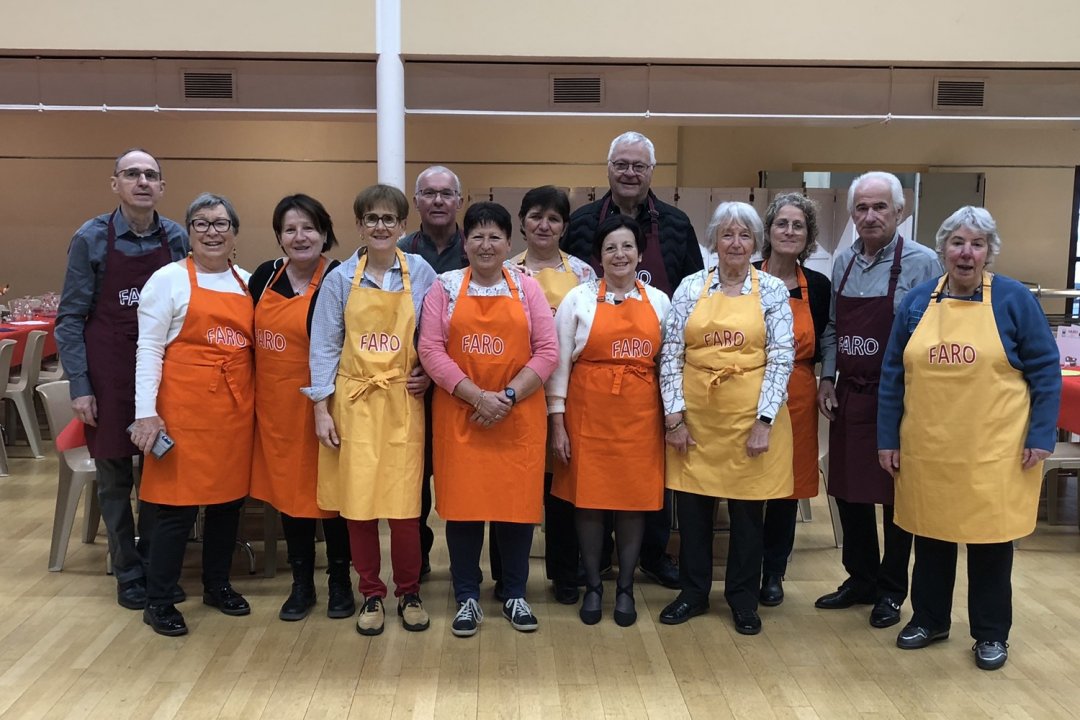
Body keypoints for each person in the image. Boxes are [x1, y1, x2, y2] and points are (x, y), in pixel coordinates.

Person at [877, 206, 1060, 671]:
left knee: (990, 542)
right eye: (957, 243)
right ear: (943, 249)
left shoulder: (1014, 300)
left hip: (994, 450)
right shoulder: (917, 302)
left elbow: (1045, 370)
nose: (966, 253)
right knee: (931, 536)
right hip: (928, 448)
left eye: (977, 244)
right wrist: (887, 438)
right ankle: (930, 619)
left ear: (989, 252)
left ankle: (991, 633)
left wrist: (1042, 434)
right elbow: (893, 374)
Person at [563, 130, 703, 589]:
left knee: (648, 477)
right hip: (593, 380)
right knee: (592, 481)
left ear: (651, 172)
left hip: (653, 369)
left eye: (638, 165)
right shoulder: (583, 221)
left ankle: (654, 555)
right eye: (621, 164)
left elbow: (693, 291)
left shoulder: (677, 223)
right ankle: (595, 561)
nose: (629, 172)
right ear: (608, 169)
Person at [54, 149, 188, 611]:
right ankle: (127, 572)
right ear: (115, 184)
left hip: (163, 371)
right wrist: (80, 386)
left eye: (151, 175)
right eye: (132, 174)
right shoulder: (90, 238)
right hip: (108, 371)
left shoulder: (177, 237)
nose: (142, 181)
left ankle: (156, 567)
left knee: (160, 472)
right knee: (114, 477)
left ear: (162, 187)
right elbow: (70, 317)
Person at [418, 201, 558, 637]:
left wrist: (508, 397)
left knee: (516, 507)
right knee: (463, 508)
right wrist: (478, 397)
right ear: (465, 243)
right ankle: (466, 596)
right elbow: (430, 350)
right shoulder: (444, 288)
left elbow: (548, 351)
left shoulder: (527, 288)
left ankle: (514, 592)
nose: (485, 244)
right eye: (477, 236)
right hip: (461, 414)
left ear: (508, 243)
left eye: (494, 236)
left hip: (518, 416)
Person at [659, 201, 794, 635]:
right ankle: (693, 592)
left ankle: (743, 598)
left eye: (744, 235)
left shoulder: (771, 290)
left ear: (756, 243)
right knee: (693, 513)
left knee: (748, 517)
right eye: (727, 234)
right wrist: (674, 419)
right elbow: (671, 355)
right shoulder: (690, 286)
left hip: (751, 420)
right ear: (713, 241)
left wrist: (764, 421)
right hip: (696, 421)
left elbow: (781, 357)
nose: (735, 243)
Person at [815, 172, 942, 629]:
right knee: (849, 492)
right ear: (852, 214)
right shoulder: (844, 261)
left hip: (897, 399)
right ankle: (861, 578)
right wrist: (827, 377)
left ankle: (891, 590)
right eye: (862, 208)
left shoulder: (924, 263)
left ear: (899, 211)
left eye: (880, 207)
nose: (870, 216)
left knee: (894, 498)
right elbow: (833, 327)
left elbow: (936, 329)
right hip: (850, 393)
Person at [309, 184, 437, 636]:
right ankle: (371, 593)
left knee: (405, 509)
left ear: (403, 225)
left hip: (403, 401)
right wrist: (321, 408)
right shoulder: (341, 279)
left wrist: (428, 372)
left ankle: (409, 592)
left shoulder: (421, 273)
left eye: (389, 219)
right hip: (354, 402)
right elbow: (324, 346)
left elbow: (435, 333)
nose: (380, 226)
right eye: (371, 219)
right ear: (359, 226)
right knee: (359, 507)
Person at [131, 193, 254, 637]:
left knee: (227, 504)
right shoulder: (167, 280)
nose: (211, 232)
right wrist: (146, 414)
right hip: (181, 413)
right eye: (201, 223)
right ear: (188, 232)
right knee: (174, 510)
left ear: (234, 233)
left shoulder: (248, 282)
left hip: (234, 413)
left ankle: (217, 585)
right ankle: (159, 600)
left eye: (221, 224)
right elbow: (148, 349)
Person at [548, 215, 670, 626]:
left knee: (634, 503)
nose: (620, 255)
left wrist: (673, 418)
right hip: (587, 415)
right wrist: (557, 422)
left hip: (641, 418)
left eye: (627, 246)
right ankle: (593, 587)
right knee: (589, 502)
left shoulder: (660, 302)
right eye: (610, 248)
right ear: (599, 257)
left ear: (640, 254)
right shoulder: (578, 299)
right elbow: (558, 366)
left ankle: (626, 588)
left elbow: (669, 364)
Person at [249, 194, 354, 622]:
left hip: (328, 408)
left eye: (309, 227)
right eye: (290, 229)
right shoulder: (263, 277)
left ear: (325, 233)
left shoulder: (341, 278)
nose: (300, 236)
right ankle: (301, 583)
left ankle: (341, 581)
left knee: (332, 498)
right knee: (289, 498)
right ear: (279, 237)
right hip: (276, 412)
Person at [493, 185, 596, 606]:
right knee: (510, 487)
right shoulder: (503, 270)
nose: (544, 225)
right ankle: (504, 576)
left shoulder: (584, 274)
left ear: (565, 227)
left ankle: (565, 573)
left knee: (560, 488)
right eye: (536, 216)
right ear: (521, 222)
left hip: (566, 394)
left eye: (554, 218)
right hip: (515, 391)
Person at [753, 194, 831, 606]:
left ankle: (773, 571)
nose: (789, 231)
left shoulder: (817, 286)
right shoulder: (746, 277)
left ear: (808, 235)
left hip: (797, 390)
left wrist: (828, 378)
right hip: (748, 387)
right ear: (768, 231)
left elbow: (828, 339)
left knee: (787, 486)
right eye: (781, 223)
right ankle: (745, 566)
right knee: (748, 480)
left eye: (797, 225)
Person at [397, 165, 469, 577]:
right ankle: (418, 554)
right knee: (416, 472)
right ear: (417, 201)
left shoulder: (476, 247)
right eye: (429, 193)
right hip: (414, 382)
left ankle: (468, 564)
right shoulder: (400, 250)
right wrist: (421, 367)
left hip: (469, 381)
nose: (438, 200)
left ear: (460, 200)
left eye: (446, 193)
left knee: (464, 472)